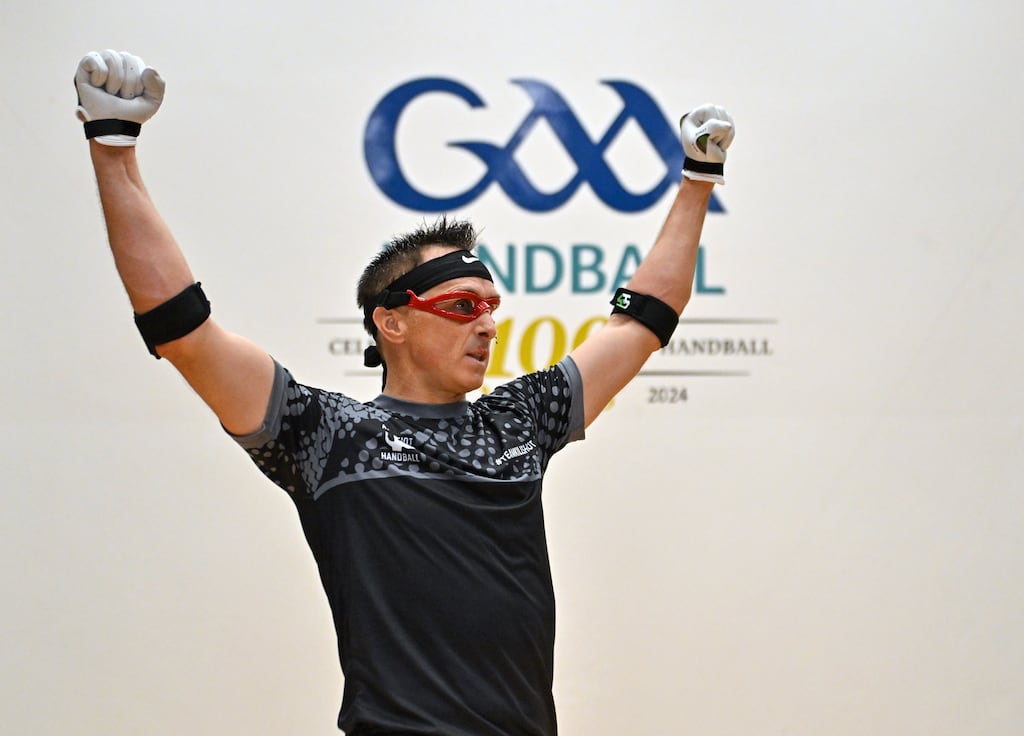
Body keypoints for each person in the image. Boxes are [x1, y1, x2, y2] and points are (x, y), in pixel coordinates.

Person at [75, 49, 735, 736]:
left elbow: (643, 320)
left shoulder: (520, 421)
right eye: (460, 307)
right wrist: (114, 152)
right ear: (391, 321)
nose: (486, 325)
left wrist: (697, 180)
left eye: (490, 308)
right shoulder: (322, 431)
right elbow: (183, 329)